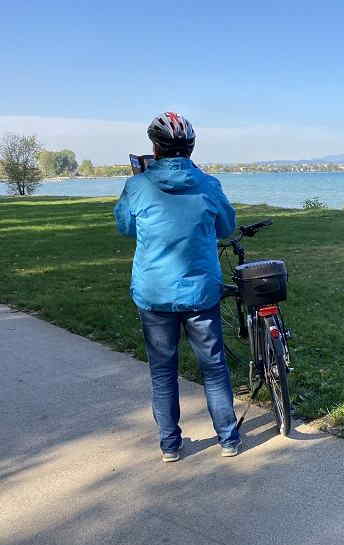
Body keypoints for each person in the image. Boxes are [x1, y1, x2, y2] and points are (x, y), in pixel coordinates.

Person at [114, 112, 241, 463]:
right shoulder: (208, 184)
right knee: (213, 367)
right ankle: (228, 439)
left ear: (155, 147)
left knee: (162, 369)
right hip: (200, 291)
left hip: (154, 292)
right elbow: (227, 226)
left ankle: (171, 445)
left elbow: (125, 227)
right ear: (191, 146)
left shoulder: (139, 186)